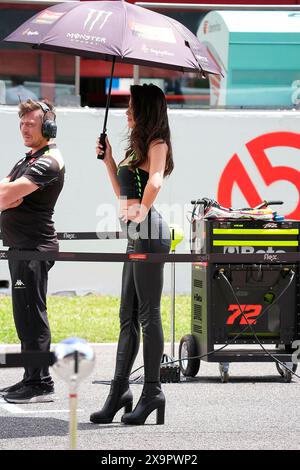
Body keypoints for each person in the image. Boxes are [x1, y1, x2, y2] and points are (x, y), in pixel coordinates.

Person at [90, 84, 174, 426]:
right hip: (137, 235)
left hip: (150, 234)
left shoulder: (157, 144)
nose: (126, 113)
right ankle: (118, 393)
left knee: (148, 314)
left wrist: (140, 212)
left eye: (131, 108)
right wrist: (109, 160)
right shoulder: (134, 148)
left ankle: (152, 392)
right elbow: (121, 192)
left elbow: (155, 182)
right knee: (127, 315)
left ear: (145, 111)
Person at [0, 99, 65, 404]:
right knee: (23, 316)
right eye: (22, 123)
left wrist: (10, 196)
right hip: (21, 248)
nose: (25, 128)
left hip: (34, 249)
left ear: (48, 126)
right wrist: (8, 195)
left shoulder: (49, 161)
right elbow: (5, 192)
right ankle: (31, 378)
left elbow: (8, 194)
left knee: (32, 314)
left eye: (31, 123)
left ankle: (41, 383)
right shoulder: (28, 159)